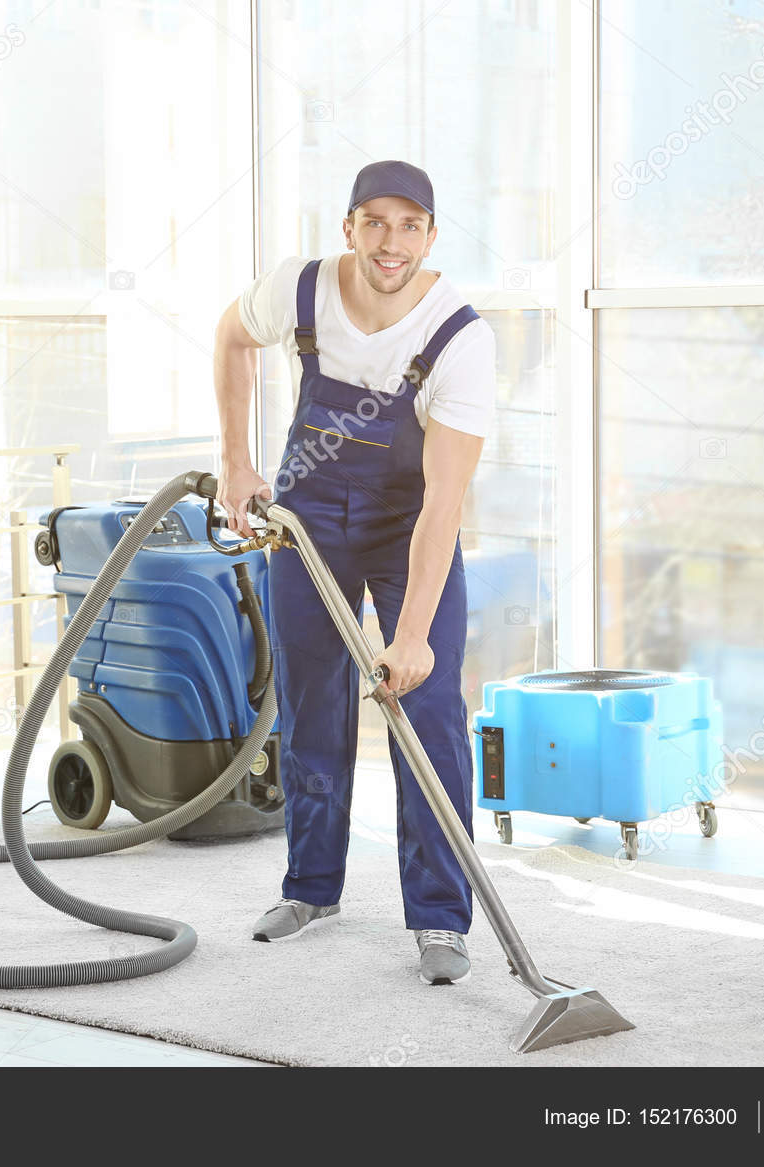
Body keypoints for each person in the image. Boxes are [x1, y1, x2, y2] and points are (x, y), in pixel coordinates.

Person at [211, 160, 494, 984]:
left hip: (410, 531)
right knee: (311, 703)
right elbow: (231, 337)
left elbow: (445, 501)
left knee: (431, 710)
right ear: (349, 228)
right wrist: (237, 465)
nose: (391, 242)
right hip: (307, 522)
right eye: (375, 222)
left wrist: (410, 639)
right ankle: (312, 887)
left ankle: (441, 919)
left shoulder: (457, 337)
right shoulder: (299, 291)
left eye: (410, 226)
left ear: (431, 237)